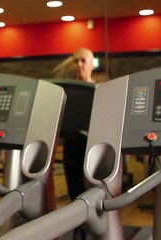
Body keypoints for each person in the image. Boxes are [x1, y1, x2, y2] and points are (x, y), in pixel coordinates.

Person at [54, 47, 97, 240]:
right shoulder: (66, 91)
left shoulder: (100, 90)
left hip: (92, 148)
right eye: (76, 61)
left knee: (86, 194)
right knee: (74, 194)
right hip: (72, 146)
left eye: (83, 61)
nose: (79, 65)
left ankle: (83, 234)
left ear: (92, 63)